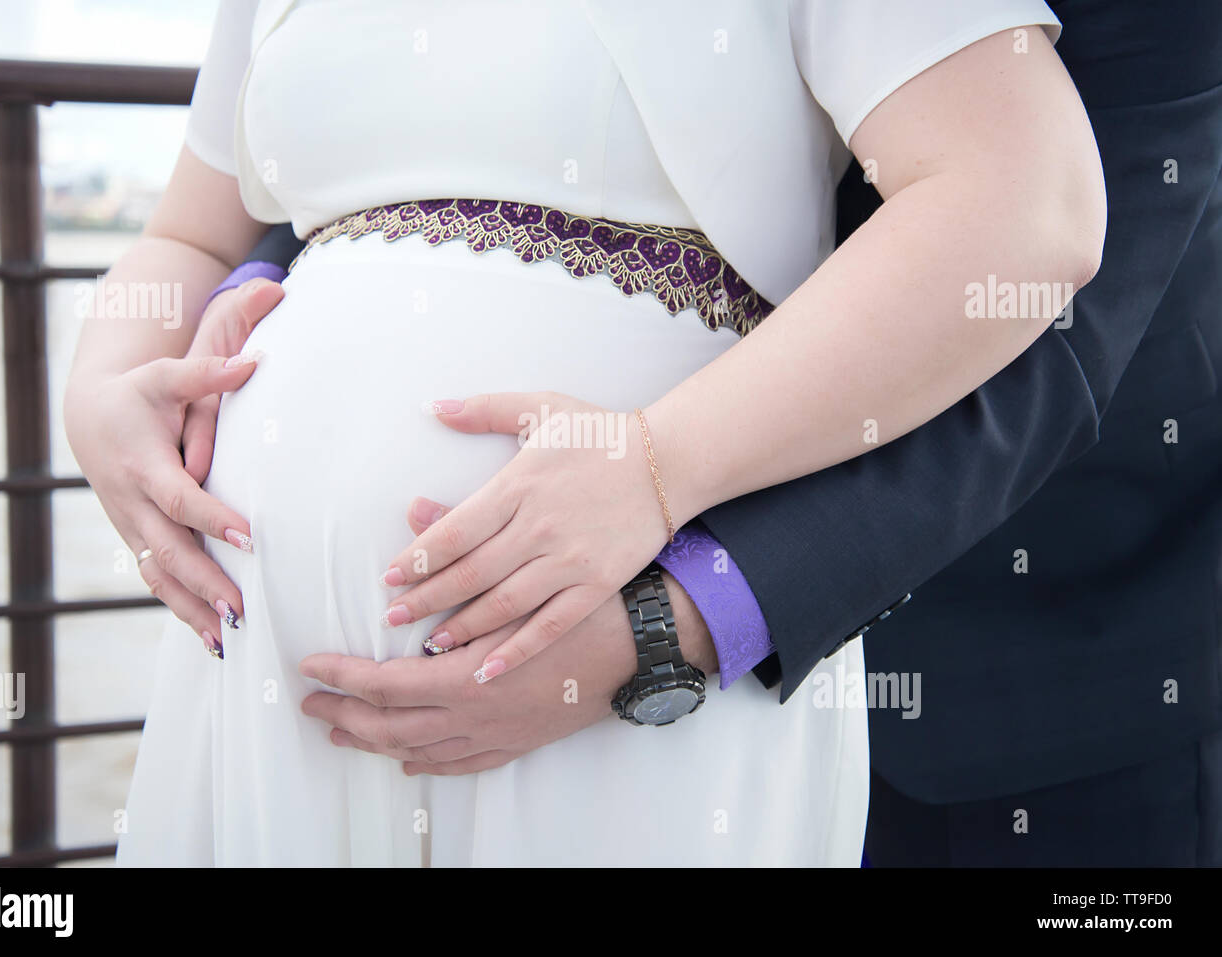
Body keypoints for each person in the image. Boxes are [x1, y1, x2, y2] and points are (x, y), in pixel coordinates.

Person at [64, 0, 1103, 865]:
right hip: (260, 666)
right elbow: (189, 233)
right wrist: (99, 392)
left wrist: (654, 471)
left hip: (606, 649)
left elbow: (1027, 199)